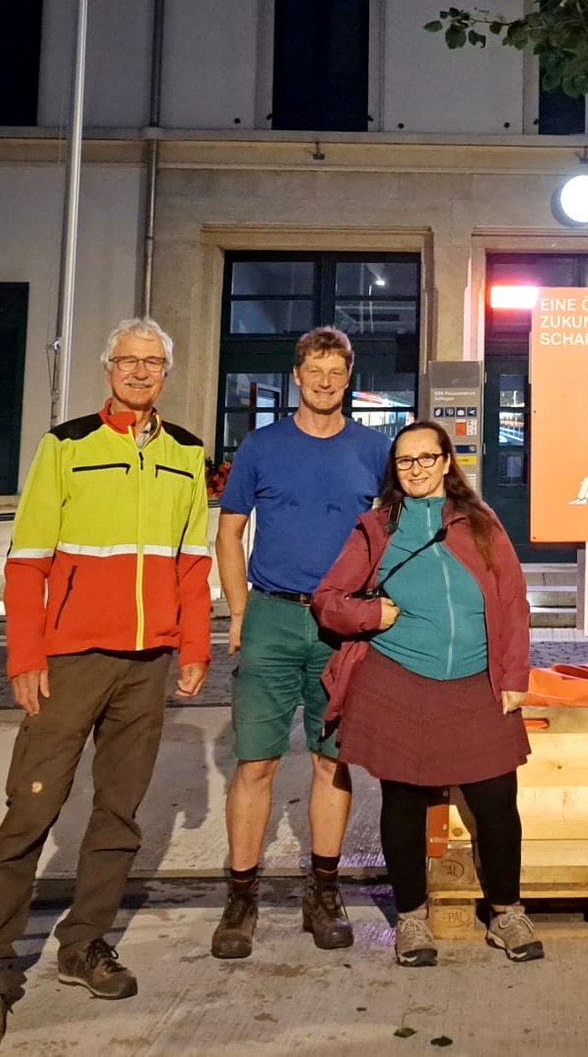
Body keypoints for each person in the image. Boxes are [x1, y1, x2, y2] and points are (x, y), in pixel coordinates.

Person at [0, 318, 210, 1055]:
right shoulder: (65, 445)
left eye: (153, 362)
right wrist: (25, 657)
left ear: (166, 372)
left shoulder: (186, 453)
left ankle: (84, 944)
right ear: (107, 369)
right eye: (128, 360)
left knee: (119, 815)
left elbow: (193, 562)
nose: (140, 371)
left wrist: (194, 647)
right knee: (30, 812)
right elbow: (27, 560)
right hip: (69, 660)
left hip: (147, 664)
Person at [312, 420, 539, 968]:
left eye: (426, 458)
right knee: (404, 803)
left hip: (477, 681)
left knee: (497, 801)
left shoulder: (480, 522)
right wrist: (371, 614)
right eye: (404, 460)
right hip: (399, 679)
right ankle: (412, 919)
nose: (415, 469)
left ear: (446, 462)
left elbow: (512, 599)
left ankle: (506, 912)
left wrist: (514, 676)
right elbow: (328, 599)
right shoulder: (376, 528)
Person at [211, 326, 391, 959]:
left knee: (330, 761)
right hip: (272, 612)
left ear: (349, 379)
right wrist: (238, 611)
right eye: (314, 370)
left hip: (340, 625)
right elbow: (229, 533)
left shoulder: (373, 450)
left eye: (335, 372)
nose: (324, 382)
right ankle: (242, 897)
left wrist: (379, 607)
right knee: (255, 763)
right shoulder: (262, 446)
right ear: (296, 376)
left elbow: (395, 533)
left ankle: (324, 890)